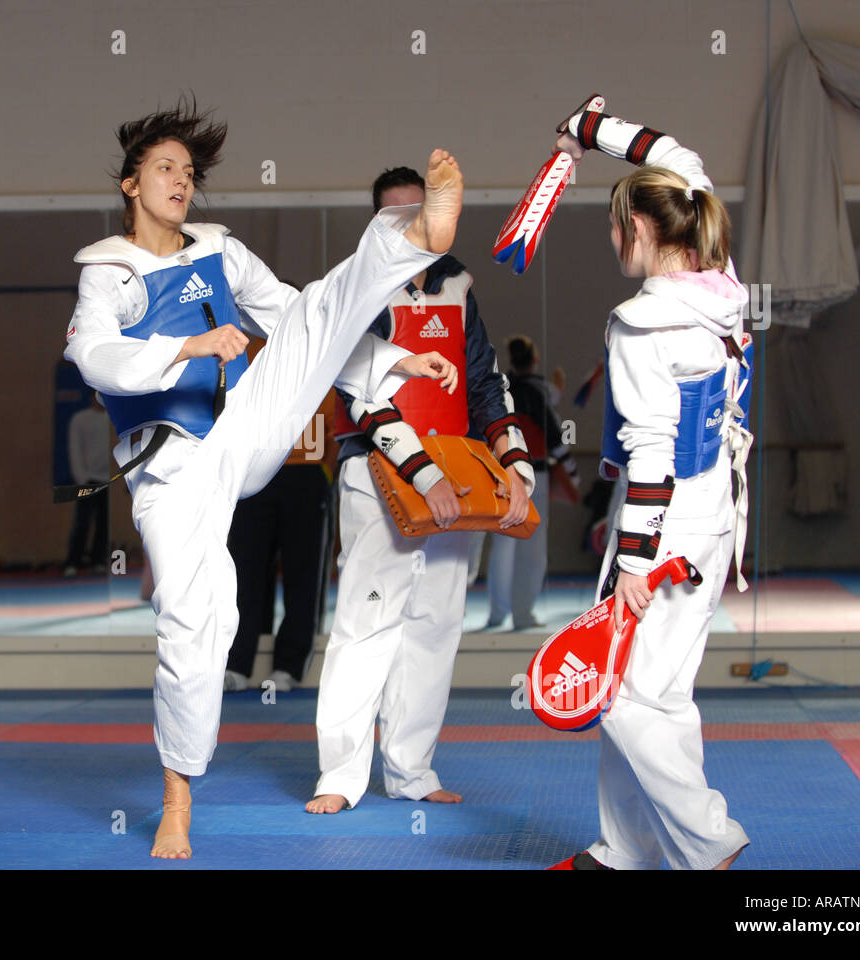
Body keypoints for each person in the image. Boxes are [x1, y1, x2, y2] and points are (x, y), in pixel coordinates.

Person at [63, 101, 464, 859]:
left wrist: (389, 363)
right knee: (196, 617)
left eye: (188, 172)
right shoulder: (108, 272)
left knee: (314, 305)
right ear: (129, 183)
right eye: (164, 169)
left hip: (245, 424)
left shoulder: (220, 249)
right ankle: (177, 796)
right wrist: (187, 347)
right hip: (172, 466)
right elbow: (94, 356)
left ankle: (412, 235)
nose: (181, 181)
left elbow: (294, 315)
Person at [548, 107, 753, 870]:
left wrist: (633, 558)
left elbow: (652, 450)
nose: (611, 244)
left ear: (638, 227)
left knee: (631, 697)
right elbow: (675, 154)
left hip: (667, 523)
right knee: (650, 687)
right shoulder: (720, 284)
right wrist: (586, 127)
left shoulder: (646, 323)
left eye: (613, 227)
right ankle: (625, 851)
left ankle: (708, 844)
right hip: (712, 512)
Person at [306, 166, 533, 815]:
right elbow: (360, 387)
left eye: (421, 211)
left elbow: (487, 385)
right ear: (376, 224)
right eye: (395, 216)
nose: (411, 225)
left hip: (456, 482)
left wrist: (512, 463)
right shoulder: (359, 288)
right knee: (366, 623)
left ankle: (411, 770)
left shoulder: (460, 287)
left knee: (436, 626)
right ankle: (340, 776)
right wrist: (421, 475)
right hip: (379, 476)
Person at [224, 339, 336, 694]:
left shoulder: (318, 350)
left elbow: (334, 420)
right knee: (243, 571)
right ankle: (236, 662)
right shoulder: (244, 350)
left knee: (303, 573)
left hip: (305, 472)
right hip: (253, 473)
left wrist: (324, 473)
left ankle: (289, 665)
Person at [486, 334, 580, 629]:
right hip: (531, 473)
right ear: (535, 358)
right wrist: (573, 476)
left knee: (502, 547)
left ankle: (497, 613)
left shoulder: (502, 389)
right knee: (531, 548)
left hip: (502, 473)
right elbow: (555, 437)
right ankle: (522, 612)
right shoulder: (539, 392)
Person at [62, 397, 111, 576]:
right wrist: (81, 477)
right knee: (82, 522)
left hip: (107, 478)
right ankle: (73, 561)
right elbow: (74, 449)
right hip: (87, 478)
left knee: (104, 523)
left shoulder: (111, 417)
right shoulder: (80, 419)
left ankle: (97, 560)